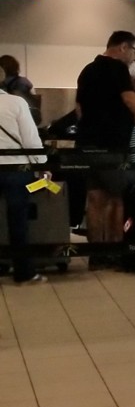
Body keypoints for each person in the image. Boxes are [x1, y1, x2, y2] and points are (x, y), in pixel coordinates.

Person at [75, 31, 135, 266]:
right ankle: (118, 249)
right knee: (118, 198)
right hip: (113, 145)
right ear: (122, 47)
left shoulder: (87, 70)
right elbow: (130, 101)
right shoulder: (117, 69)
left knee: (96, 198)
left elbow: (79, 107)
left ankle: (97, 254)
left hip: (88, 143)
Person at [0, 80, 49, 285]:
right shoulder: (16, 102)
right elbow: (30, 139)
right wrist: (42, 165)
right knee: (18, 222)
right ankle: (23, 271)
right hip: (16, 170)